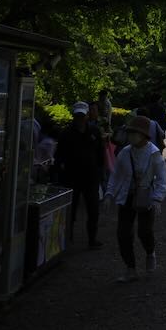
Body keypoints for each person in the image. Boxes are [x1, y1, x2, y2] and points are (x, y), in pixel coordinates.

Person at [103, 115, 166, 283]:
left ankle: (150, 252)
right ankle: (130, 268)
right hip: (127, 196)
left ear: (143, 135)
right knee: (123, 233)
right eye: (130, 133)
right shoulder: (125, 152)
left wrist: (157, 199)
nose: (131, 136)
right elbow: (116, 175)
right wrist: (109, 194)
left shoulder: (154, 154)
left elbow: (161, 179)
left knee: (144, 231)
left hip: (146, 196)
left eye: (134, 133)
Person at [55, 102, 105, 249]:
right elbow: (59, 156)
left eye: (82, 115)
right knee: (70, 211)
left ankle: (92, 239)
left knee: (93, 210)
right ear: (74, 116)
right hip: (71, 177)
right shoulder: (66, 133)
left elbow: (100, 153)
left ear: (87, 115)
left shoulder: (94, 131)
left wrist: (100, 172)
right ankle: (66, 239)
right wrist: (60, 174)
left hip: (91, 177)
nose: (80, 118)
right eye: (77, 116)